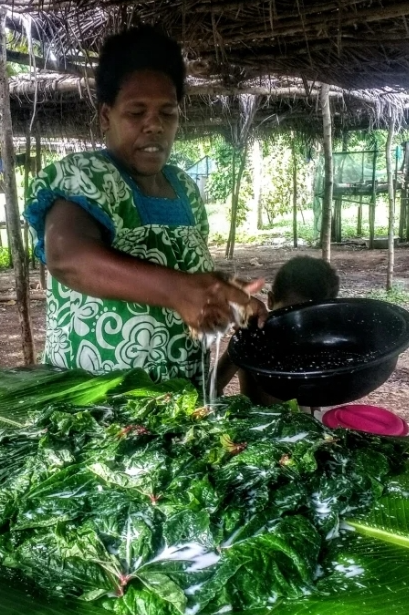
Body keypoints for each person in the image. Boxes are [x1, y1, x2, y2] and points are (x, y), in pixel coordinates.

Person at [24, 26, 264, 384]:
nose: (153, 126)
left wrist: (224, 293)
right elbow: (67, 257)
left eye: (167, 113)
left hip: (181, 405)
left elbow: (182, 270)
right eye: (136, 113)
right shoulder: (85, 177)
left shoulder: (184, 188)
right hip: (95, 408)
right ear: (106, 116)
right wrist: (179, 292)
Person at [216, 256, 340, 404]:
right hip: (262, 424)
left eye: (309, 320)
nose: (297, 326)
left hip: (309, 424)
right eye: (289, 315)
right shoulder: (254, 336)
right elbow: (214, 385)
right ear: (271, 300)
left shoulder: (324, 341)